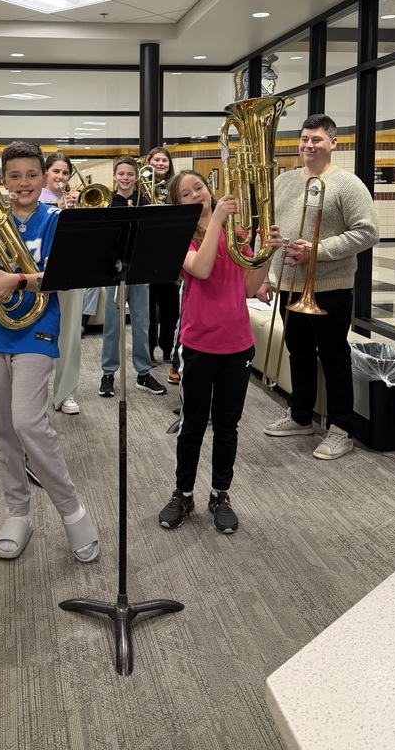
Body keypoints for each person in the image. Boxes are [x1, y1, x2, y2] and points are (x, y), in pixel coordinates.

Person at [0, 141, 99, 563]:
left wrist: (16, 281)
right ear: (3, 181)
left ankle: (72, 511)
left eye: (32, 175)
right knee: (3, 428)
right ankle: (18, 513)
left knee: (29, 422)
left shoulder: (57, 219)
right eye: (15, 176)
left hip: (35, 329)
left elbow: (63, 275)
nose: (23, 183)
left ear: (45, 179)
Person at [158, 171, 270, 532]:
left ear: (210, 189)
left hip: (237, 343)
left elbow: (250, 286)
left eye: (199, 189)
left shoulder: (235, 232)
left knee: (227, 426)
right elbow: (202, 270)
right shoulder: (179, 238)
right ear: (177, 204)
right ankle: (183, 493)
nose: (195, 196)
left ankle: (220, 493)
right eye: (185, 194)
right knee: (192, 425)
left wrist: (268, 253)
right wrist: (217, 220)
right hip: (198, 343)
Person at [263, 114, 379, 460]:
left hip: (329, 286)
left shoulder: (347, 183)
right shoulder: (284, 181)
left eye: (316, 139)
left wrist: (317, 251)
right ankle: (301, 416)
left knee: (334, 357)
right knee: (297, 352)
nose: (308, 145)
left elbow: (367, 231)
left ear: (333, 143)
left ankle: (341, 429)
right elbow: (275, 228)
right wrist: (269, 271)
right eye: (304, 139)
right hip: (289, 285)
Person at [98, 156, 166, 398]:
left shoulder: (144, 201)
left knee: (142, 322)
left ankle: (143, 373)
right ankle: (108, 373)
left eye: (129, 174)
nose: (125, 178)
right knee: (113, 325)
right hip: (115, 269)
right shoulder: (106, 201)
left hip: (138, 267)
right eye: (121, 174)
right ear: (114, 177)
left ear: (136, 177)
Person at [39, 152, 83, 414]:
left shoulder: (72, 202)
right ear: (46, 174)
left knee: (70, 336)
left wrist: (75, 213)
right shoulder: (37, 200)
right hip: (41, 272)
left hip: (71, 270)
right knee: (39, 335)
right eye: (56, 171)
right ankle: (34, 394)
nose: (61, 177)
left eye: (65, 173)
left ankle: (66, 393)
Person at [143, 146, 179, 365]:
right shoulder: (139, 186)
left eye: (164, 160)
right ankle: (147, 350)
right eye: (156, 159)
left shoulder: (175, 186)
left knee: (170, 307)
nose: (160, 164)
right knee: (147, 310)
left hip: (169, 254)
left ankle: (169, 349)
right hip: (146, 255)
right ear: (148, 161)